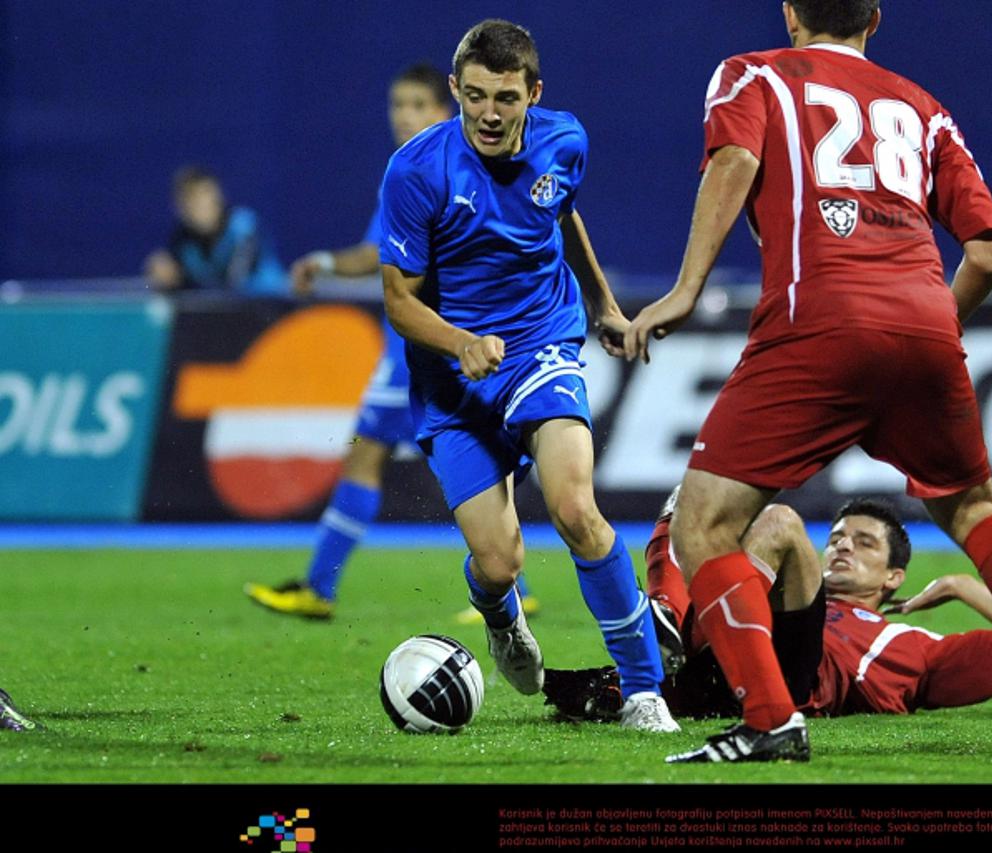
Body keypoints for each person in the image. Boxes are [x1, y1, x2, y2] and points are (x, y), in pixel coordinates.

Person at [623, 0, 992, 761]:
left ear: (791, 12)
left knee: (704, 525)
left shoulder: (753, 75)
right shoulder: (923, 107)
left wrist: (685, 290)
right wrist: (929, 330)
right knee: (973, 507)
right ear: (875, 18)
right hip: (926, 321)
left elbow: (733, 162)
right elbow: (990, 253)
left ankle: (771, 721)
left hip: (817, 323)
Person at [377, 19, 677, 731]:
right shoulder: (417, 172)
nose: (487, 113)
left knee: (574, 507)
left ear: (532, 93)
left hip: (541, 345)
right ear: (454, 88)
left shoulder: (565, 139)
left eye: (505, 98)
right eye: (473, 95)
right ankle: (499, 616)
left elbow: (561, 215)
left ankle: (643, 691)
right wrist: (458, 342)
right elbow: (397, 299)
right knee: (499, 559)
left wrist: (602, 303)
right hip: (454, 382)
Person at [243, 63, 539, 623]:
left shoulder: (449, 167)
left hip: (436, 346)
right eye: (396, 104)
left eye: (415, 104)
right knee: (375, 454)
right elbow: (379, 253)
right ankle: (320, 587)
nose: (403, 115)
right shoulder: (407, 169)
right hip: (413, 346)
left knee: (455, 461)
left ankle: (506, 587)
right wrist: (330, 262)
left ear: (445, 106)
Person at [545, 493, 992, 731]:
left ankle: (663, 631)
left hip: (794, 680)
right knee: (693, 498)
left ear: (894, 577)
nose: (842, 548)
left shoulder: (909, 646)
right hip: (729, 658)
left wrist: (962, 586)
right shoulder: (771, 587)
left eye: (864, 543)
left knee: (780, 522)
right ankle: (655, 649)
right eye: (836, 540)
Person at [144, 166, 286, 294]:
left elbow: (236, 282)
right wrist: (166, 278)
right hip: (222, 313)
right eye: (191, 202)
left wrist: (182, 280)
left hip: (272, 304)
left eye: (204, 198)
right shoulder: (181, 241)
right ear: (180, 208)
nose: (200, 208)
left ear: (218, 198)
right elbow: (176, 283)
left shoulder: (244, 226)